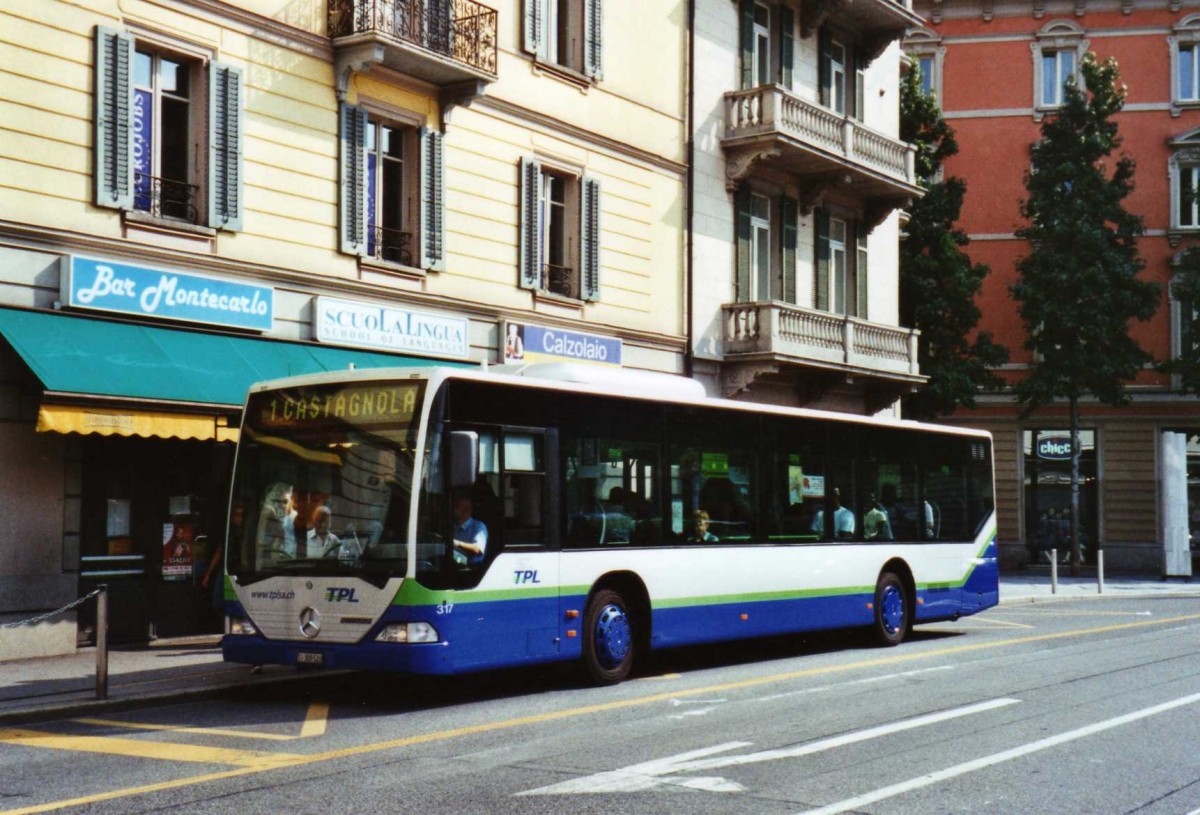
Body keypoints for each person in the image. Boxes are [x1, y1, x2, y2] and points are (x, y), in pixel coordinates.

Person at [258, 482, 297, 558]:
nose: (281, 505)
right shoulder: (272, 519)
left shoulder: (296, 520)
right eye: (278, 502)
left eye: (285, 502)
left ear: (293, 500)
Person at [452, 493, 488, 566]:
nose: (453, 510)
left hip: (471, 568)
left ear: (466, 511)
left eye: (456, 507)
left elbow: (478, 549)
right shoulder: (452, 526)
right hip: (453, 564)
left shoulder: (478, 526)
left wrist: (457, 543)